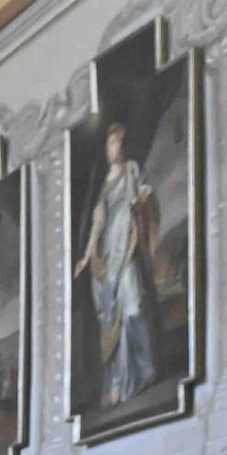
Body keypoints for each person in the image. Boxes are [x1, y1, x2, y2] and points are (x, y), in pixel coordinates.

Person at [75, 122, 161, 409]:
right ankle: (115, 385)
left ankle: (146, 369)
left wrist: (144, 218)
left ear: (122, 146)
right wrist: (87, 257)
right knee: (113, 321)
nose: (112, 150)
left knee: (133, 306)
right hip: (110, 256)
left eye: (115, 144)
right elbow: (98, 224)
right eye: (108, 145)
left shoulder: (131, 171)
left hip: (128, 247)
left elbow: (144, 200)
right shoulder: (104, 186)